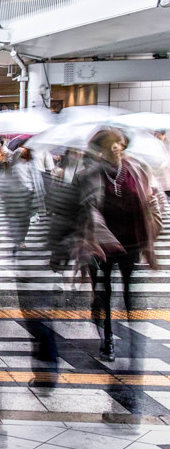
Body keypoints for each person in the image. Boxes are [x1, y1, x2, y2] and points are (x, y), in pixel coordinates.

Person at [78, 128, 161, 361]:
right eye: (110, 144)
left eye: (119, 143)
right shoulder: (88, 175)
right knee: (103, 292)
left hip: (130, 242)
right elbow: (82, 209)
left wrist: (152, 206)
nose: (116, 148)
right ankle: (107, 339)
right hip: (100, 244)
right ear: (100, 149)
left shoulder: (137, 170)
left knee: (129, 291)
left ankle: (134, 340)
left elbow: (151, 198)